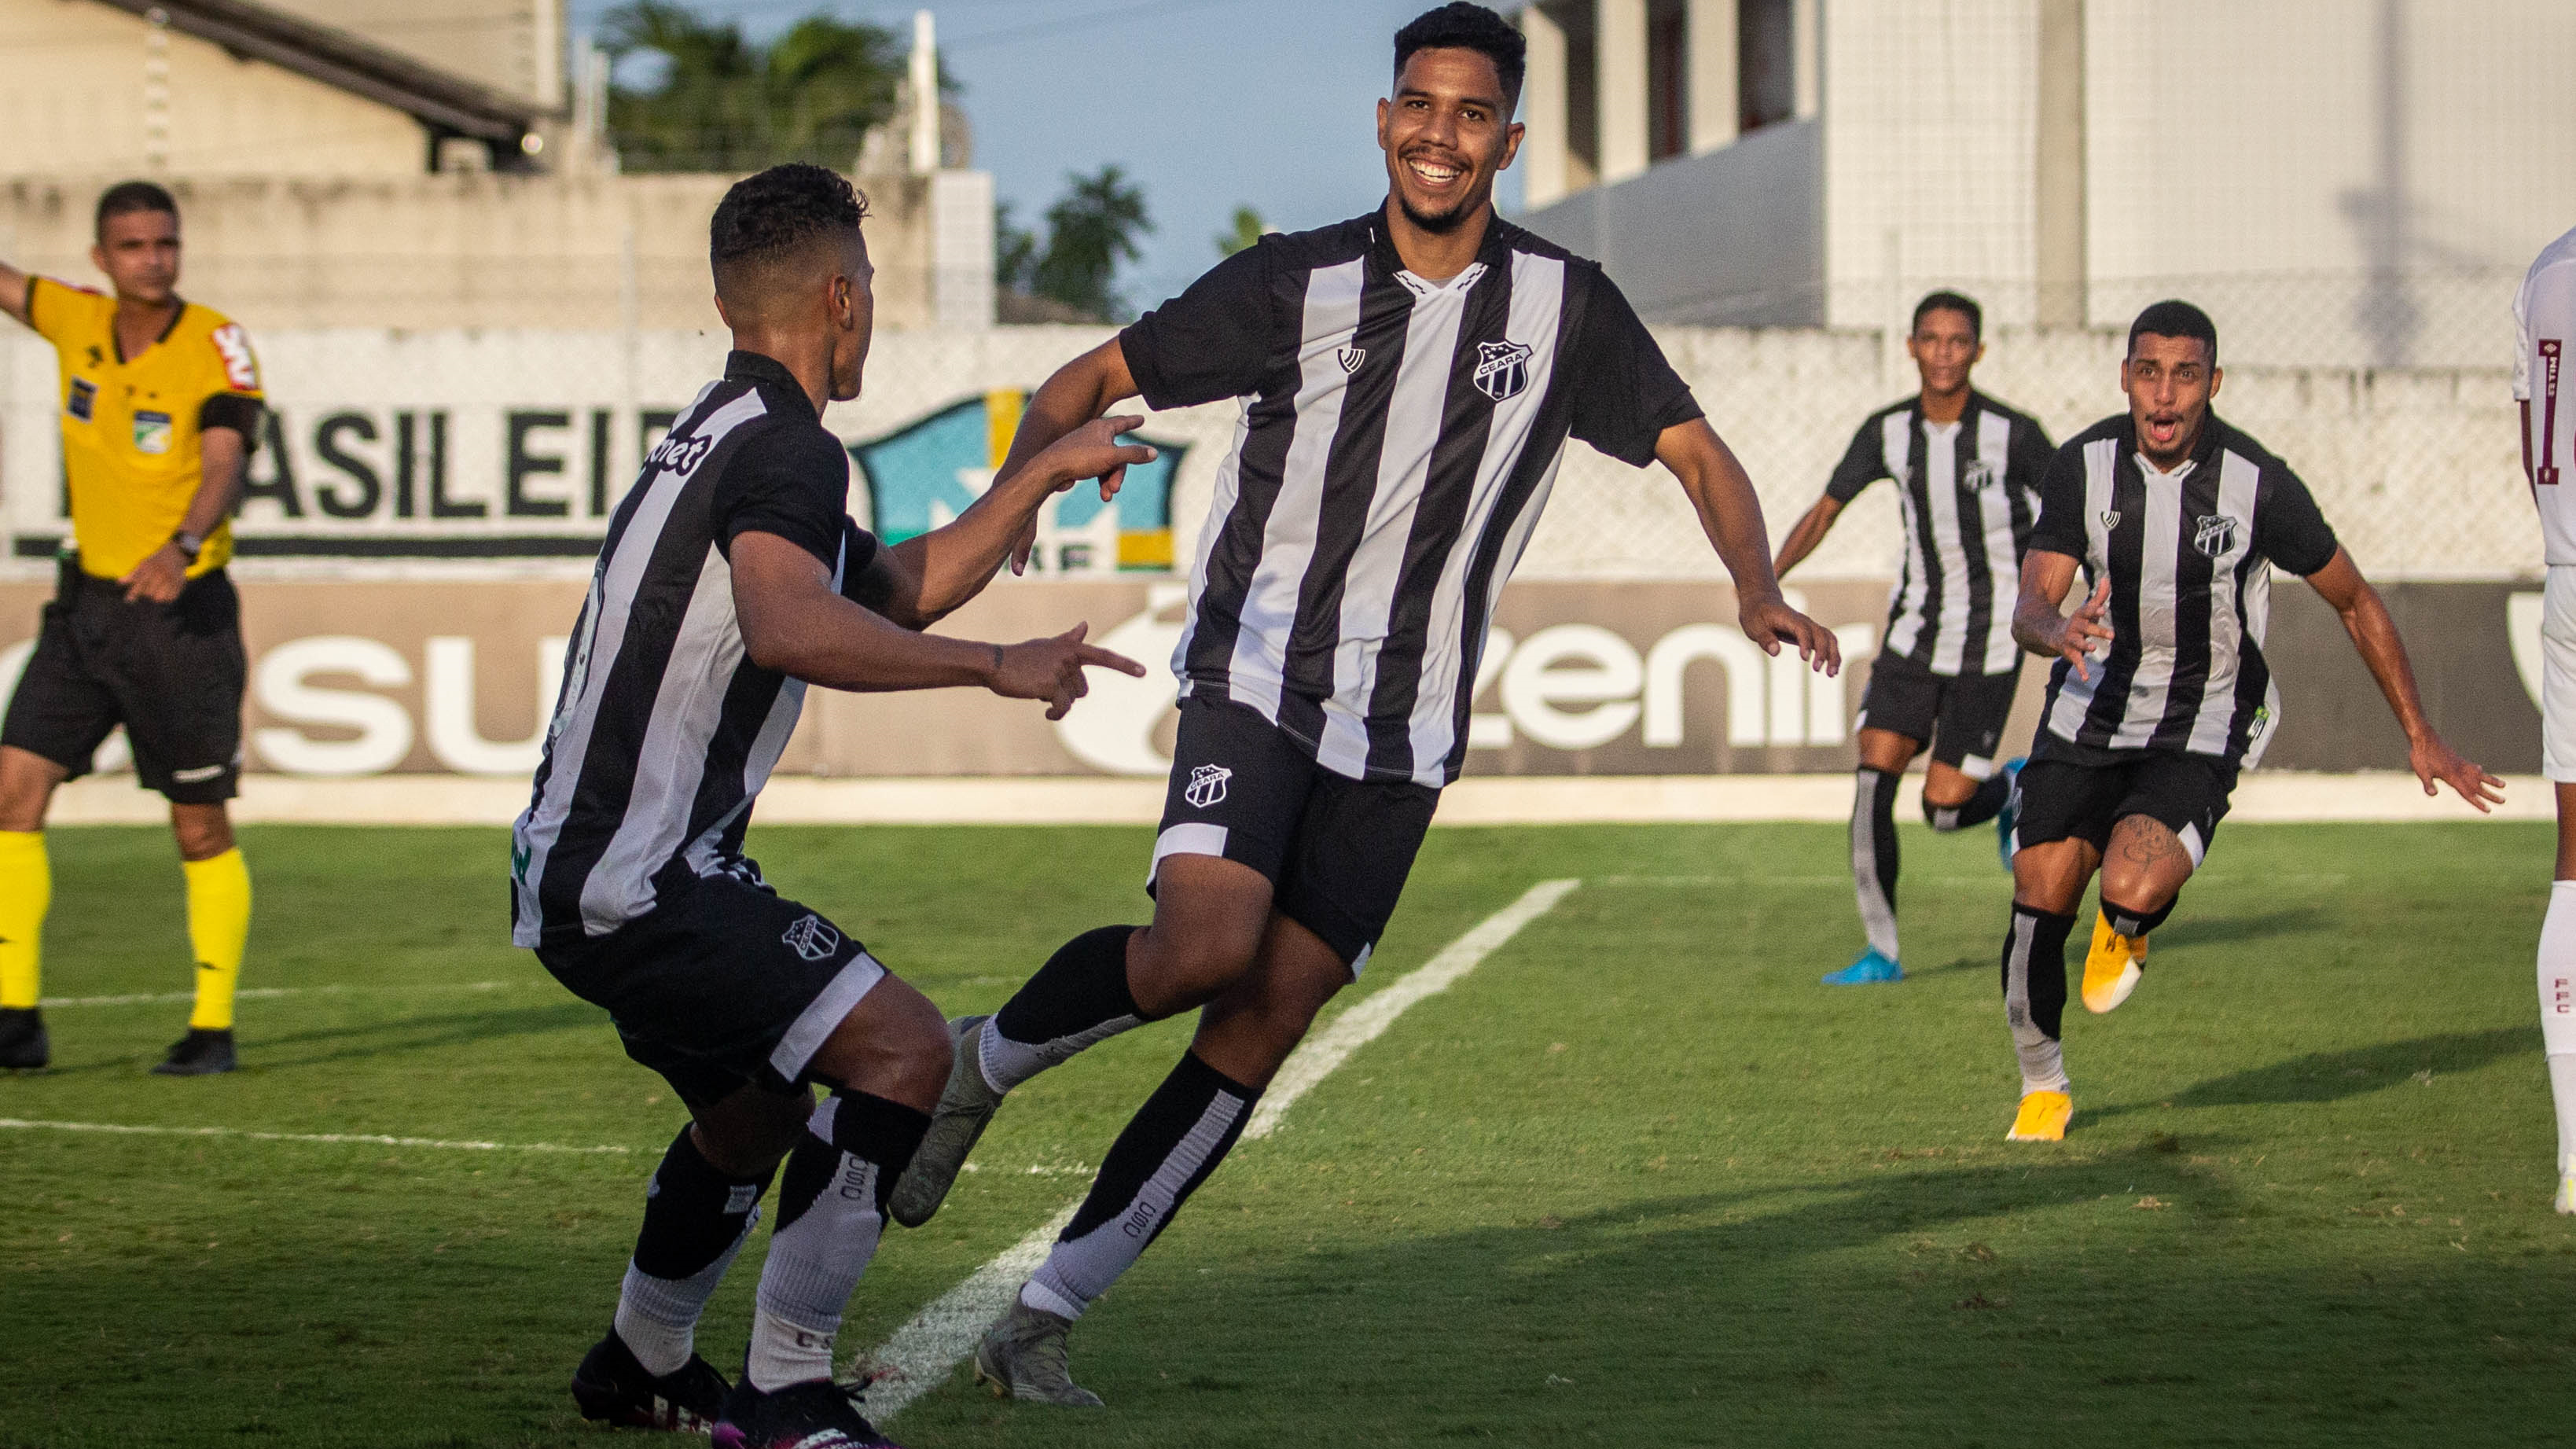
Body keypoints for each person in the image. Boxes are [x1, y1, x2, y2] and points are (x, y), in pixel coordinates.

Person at [881, 2, 1840, 1406]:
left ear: (1507, 139)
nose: (1435, 134)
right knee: (1204, 943)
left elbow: (1693, 451)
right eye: (1415, 104)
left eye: (1467, 114)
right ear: (1382, 117)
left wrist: (1750, 579)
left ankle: (1043, 1311)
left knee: (1270, 1012)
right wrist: (1026, 483)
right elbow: (1087, 375)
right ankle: (986, 1059)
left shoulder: (1565, 306)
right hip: (1261, 669)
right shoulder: (1294, 282)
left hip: (1408, 724)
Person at [512, 163, 1151, 1448]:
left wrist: (1030, 480)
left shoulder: (735, 429)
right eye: (874, 294)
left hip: (585, 866)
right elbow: (794, 621)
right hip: (643, 878)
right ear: (842, 298)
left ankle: (639, 1357)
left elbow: (887, 593)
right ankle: (793, 1386)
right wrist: (997, 667)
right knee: (904, 1048)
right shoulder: (788, 447)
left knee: (757, 1111)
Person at [1995, 299, 2501, 1143]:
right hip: (2087, 711)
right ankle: (2042, 1083)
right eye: (2148, 372)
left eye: (2184, 374)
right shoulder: (2080, 467)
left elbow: (2354, 599)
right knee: (2036, 892)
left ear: (2213, 384)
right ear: (2124, 377)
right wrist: (2050, 628)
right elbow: (2030, 603)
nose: (2163, 395)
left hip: (2204, 717)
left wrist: (2420, 731)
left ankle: (2129, 928)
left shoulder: (2258, 483)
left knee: (2130, 883)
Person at [0, 182, 263, 1076]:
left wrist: (183, 543)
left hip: (179, 617)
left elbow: (225, 457)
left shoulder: (217, 343)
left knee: (198, 825)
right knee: (12, 791)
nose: (153, 258)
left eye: (165, 243)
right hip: (85, 612)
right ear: (101, 259)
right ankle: (15, 1017)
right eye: (134, 245)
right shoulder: (72, 319)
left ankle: (212, 1026)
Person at [1774, 291, 2054, 985]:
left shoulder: (2012, 434)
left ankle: (2011, 788)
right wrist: (1764, 581)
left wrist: (2080, 588)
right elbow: (1825, 510)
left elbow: (2070, 512)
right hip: (1912, 635)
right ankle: (1882, 951)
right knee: (1872, 776)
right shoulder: (1886, 431)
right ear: (1910, 347)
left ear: (1977, 352)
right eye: (1930, 339)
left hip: (1989, 641)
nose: (1943, 353)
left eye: (1958, 341)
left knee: (1944, 809)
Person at [2515, 221, 2576, 1212]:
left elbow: (2528, 434)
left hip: (2568, 579)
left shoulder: (2546, 268)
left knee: (2574, 861)